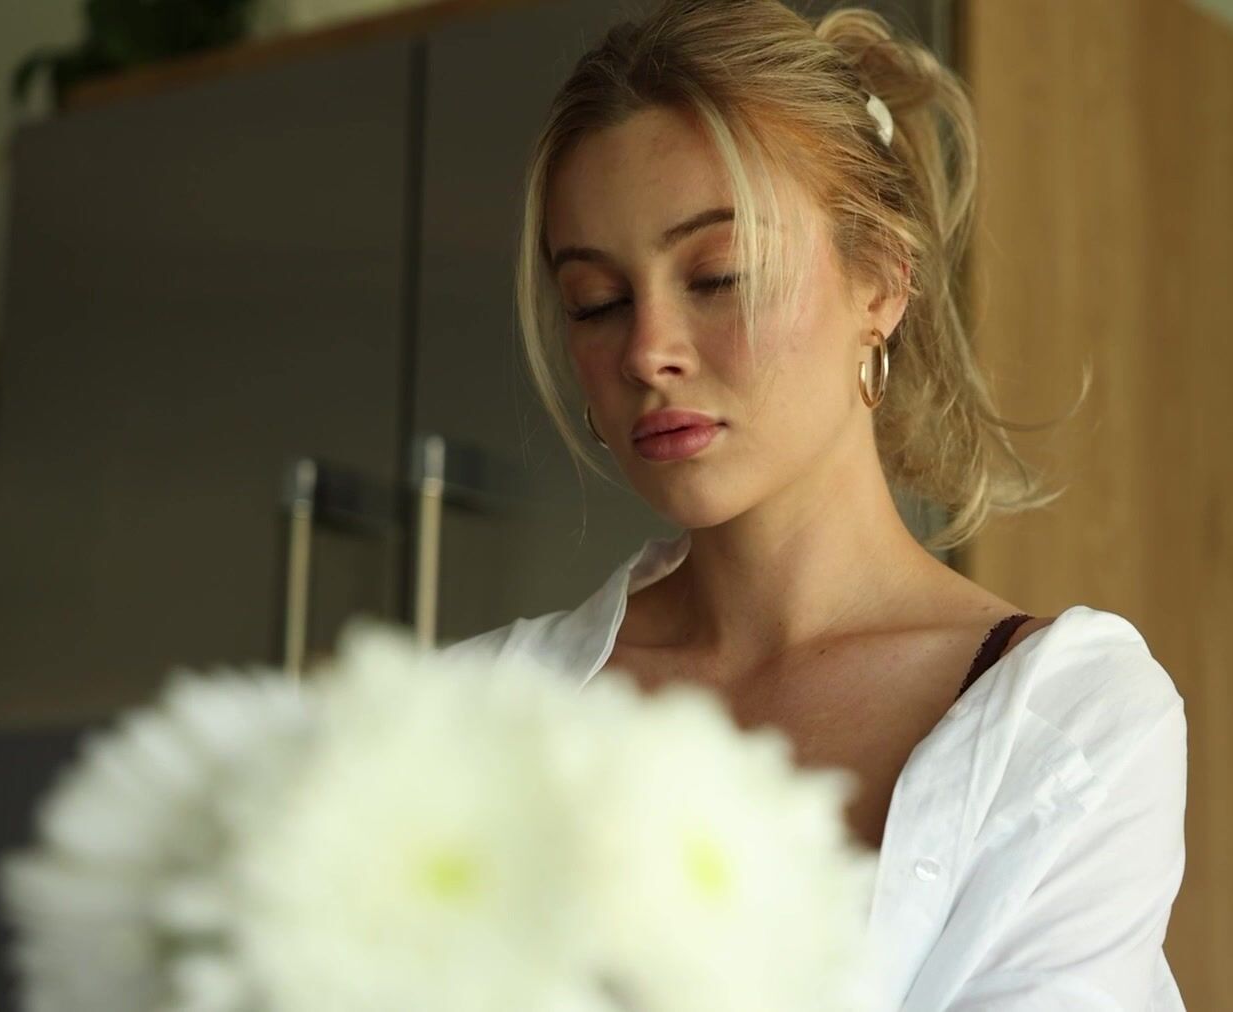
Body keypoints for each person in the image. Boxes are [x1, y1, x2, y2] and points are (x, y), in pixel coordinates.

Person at [446, 1, 1189, 1008]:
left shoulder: (1065, 724)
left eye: (718, 276)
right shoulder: (468, 709)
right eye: (598, 302)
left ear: (880, 280)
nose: (647, 350)